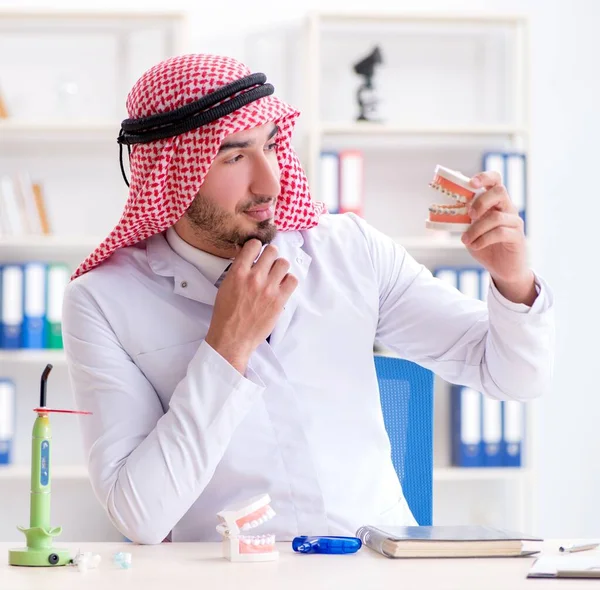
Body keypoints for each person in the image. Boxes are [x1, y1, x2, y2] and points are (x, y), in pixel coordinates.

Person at [62, 54, 554, 545]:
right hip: (232, 576)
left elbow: (513, 376)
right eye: (234, 157)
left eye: (271, 147)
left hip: (376, 569)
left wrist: (514, 280)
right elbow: (139, 516)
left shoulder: (349, 250)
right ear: (170, 173)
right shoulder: (102, 302)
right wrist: (226, 350)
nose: (270, 183)